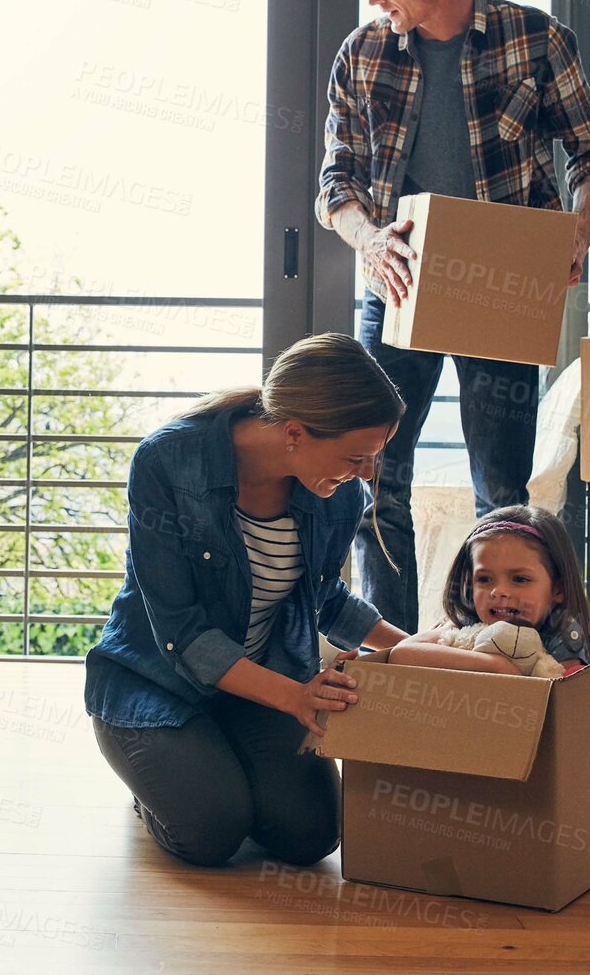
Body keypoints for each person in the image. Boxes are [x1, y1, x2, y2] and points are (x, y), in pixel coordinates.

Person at [315, 0, 590, 635]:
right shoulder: (361, 54)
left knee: (501, 490)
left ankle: (503, 651)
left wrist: (574, 233)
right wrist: (369, 239)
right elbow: (335, 186)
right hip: (396, 289)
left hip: (502, 290)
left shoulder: (533, 38)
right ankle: (391, 651)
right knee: (376, 477)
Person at [84, 333, 410, 868]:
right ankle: (157, 785)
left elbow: (322, 597)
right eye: (357, 457)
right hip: (155, 683)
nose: (367, 474)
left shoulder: (337, 490)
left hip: (260, 685)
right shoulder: (166, 462)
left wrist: (414, 650)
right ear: (295, 432)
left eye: (373, 458)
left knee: (310, 836)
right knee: (210, 833)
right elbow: (183, 635)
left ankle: (216, 762)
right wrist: (296, 699)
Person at [391, 505, 590, 674]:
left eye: (520, 579)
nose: (498, 591)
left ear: (558, 590)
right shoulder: (466, 625)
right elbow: (401, 653)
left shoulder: (563, 633)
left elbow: (566, 698)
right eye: (485, 579)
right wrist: (496, 666)